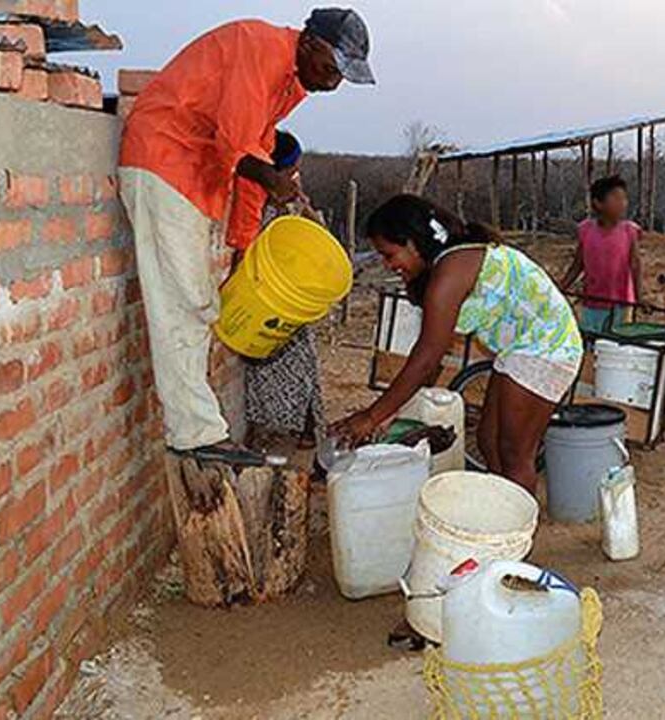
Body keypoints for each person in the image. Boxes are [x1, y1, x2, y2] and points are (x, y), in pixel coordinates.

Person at [118, 8, 374, 465]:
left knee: (196, 303)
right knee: (185, 302)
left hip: (191, 178)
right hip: (163, 161)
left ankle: (197, 428)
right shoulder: (259, 49)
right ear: (310, 42)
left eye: (342, 76)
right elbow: (237, 147)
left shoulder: (288, 83)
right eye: (333, 68)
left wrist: (245, 246)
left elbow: (254, 157)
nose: (334, 83)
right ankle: (194, 434)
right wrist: (274, 179)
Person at [331, 195, 582, 493]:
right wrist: (391, 411)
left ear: (412, 242)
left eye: (389, 255)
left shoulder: (450, 273)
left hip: (548, 348)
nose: (388, 265)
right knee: (488, 440)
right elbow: (430, 360)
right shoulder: (447, 265)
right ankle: (501, 506)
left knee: (514, 454)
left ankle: (517, 519)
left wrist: (372, 416)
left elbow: (427, 357)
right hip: (520, 349)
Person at [241, 131, 327, 451]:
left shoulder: (290, 203)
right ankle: (275, 430)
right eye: (292, 170)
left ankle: (305, 429)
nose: (295, 176)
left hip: (292, 297)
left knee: (303, 366)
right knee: (270, 370)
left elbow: (319, 234)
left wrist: (302, 204)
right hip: (270, 298)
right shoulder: (257, 204)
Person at [559, 176, 643, 334]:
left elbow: (635, 265)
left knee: (618, 341)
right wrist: (561, 288)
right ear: (598, 203)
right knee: (592, 339)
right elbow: (578, 264)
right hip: (592, 302)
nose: (623, 203)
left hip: (621, 303)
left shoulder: (629, 231)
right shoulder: (586, 230)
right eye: (616, 198)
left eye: (624, 199)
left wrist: (640, 298)